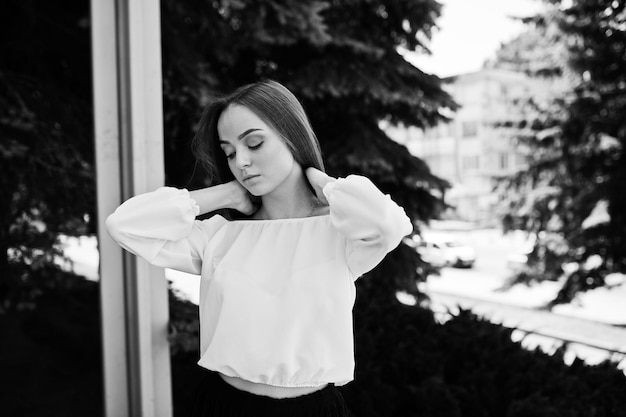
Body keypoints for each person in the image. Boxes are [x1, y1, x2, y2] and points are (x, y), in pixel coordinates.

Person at [106, 80, 412, 417]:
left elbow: (389, 225)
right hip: (222, 406)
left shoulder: (339, 230)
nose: (242, 162)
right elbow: (125, 226)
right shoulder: (221, 236)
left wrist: (324, 185)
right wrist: (223, 195)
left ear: (291, 136)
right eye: (230, 152)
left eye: (254, 143)